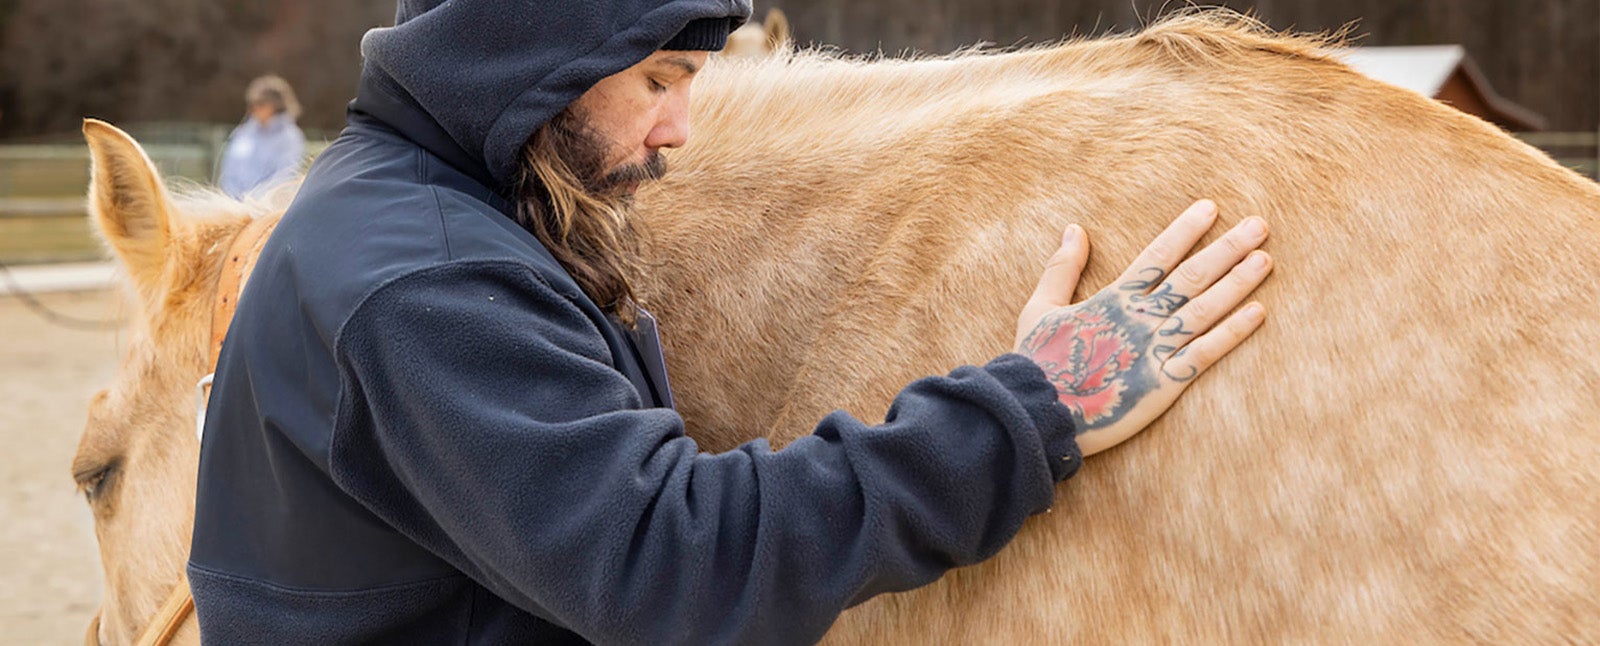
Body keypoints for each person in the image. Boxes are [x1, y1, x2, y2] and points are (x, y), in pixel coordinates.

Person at [188, 0, 1273, 643]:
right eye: (661, 79)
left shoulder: (421, 212)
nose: (680, 130)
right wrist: (1033, 407)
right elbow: (674, 563)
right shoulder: (424, 283)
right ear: (535, 56)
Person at [216, 74, 306, 198]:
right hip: (236, 206)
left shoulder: (290, 138)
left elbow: (285, 175)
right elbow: (230, 169)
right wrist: (234, 199)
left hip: (267, 208)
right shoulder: (243, 134)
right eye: (253, 104)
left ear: (276, 105)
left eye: (261, 104)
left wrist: (255, 201)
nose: (255, 109)